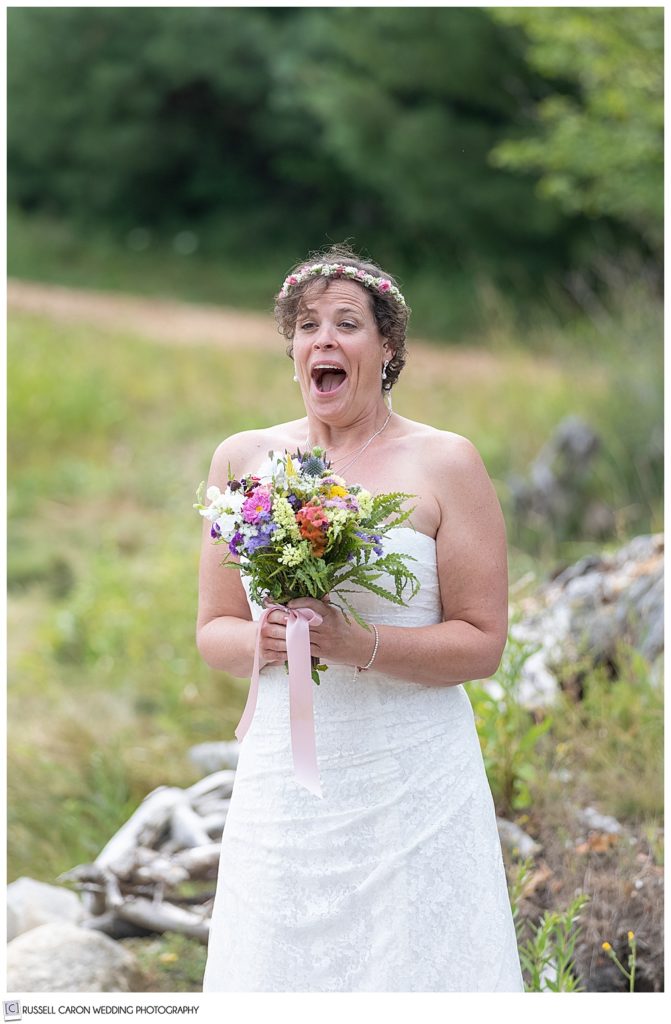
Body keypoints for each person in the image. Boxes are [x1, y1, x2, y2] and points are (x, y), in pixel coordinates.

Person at [197, 242, 525, 992]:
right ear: (292, 351)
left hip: (412, 781)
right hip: (284, 779)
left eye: (346, 323)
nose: (323, 339)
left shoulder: (445, 462)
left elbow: (481, 644)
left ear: (387, 348)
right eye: (307, 325)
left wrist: (353, 643)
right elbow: (214, 631)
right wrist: (269, 639)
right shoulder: (243, 461)